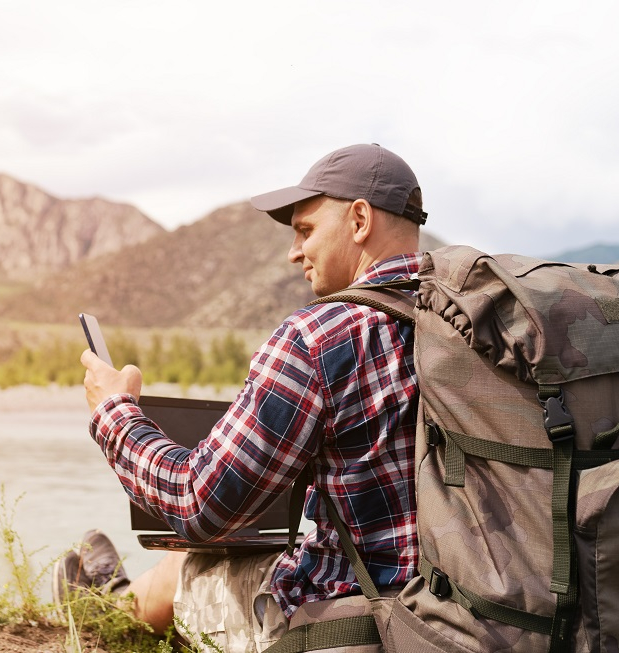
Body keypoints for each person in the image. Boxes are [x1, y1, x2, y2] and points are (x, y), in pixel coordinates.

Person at [59, 143, 429, 652]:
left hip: (369, 628)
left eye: (305, 231)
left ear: (360, 219)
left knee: (191, 558)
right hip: (476, 618)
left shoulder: (322, 337)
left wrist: (113, 413)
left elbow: (199, 503)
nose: (294, 252)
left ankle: (113, 612)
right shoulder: (487, 330)